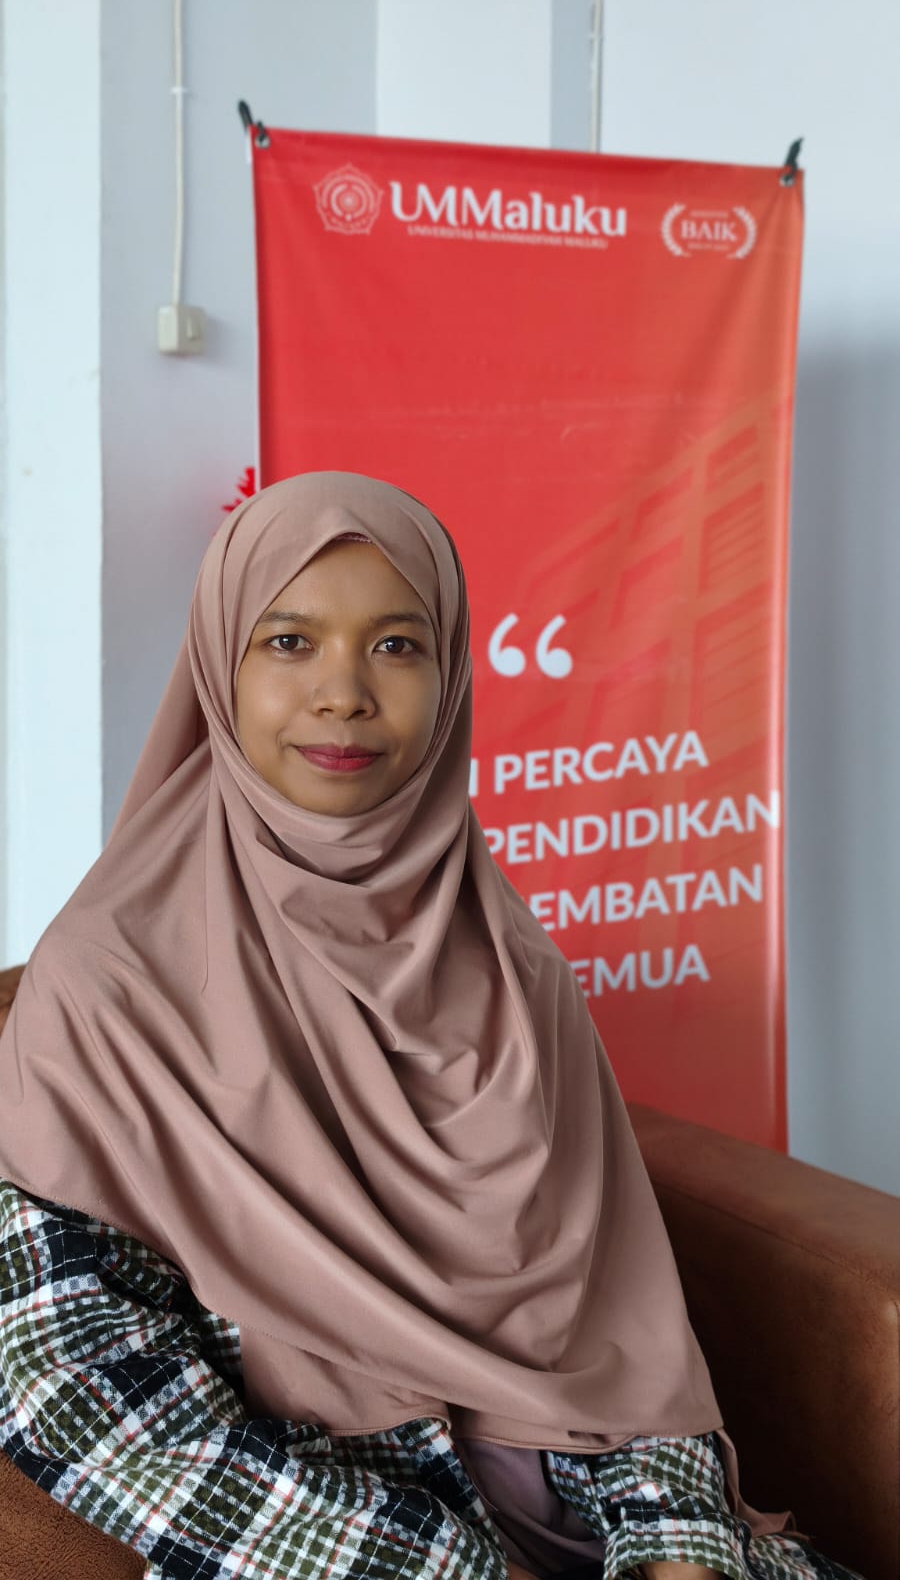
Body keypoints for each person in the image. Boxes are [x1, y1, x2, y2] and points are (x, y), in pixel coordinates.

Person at [0, 472, 858, 1580]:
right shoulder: (109, 980)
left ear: (450, 676)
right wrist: (444, 1567)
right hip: (348, 1548)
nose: (344, 694)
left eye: (397, 646)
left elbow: (627, 1329)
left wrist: (676, 1546)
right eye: (290, 642)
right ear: (219, 666)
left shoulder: (511, 967)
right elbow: (74, 1384)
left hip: (592, 1533)